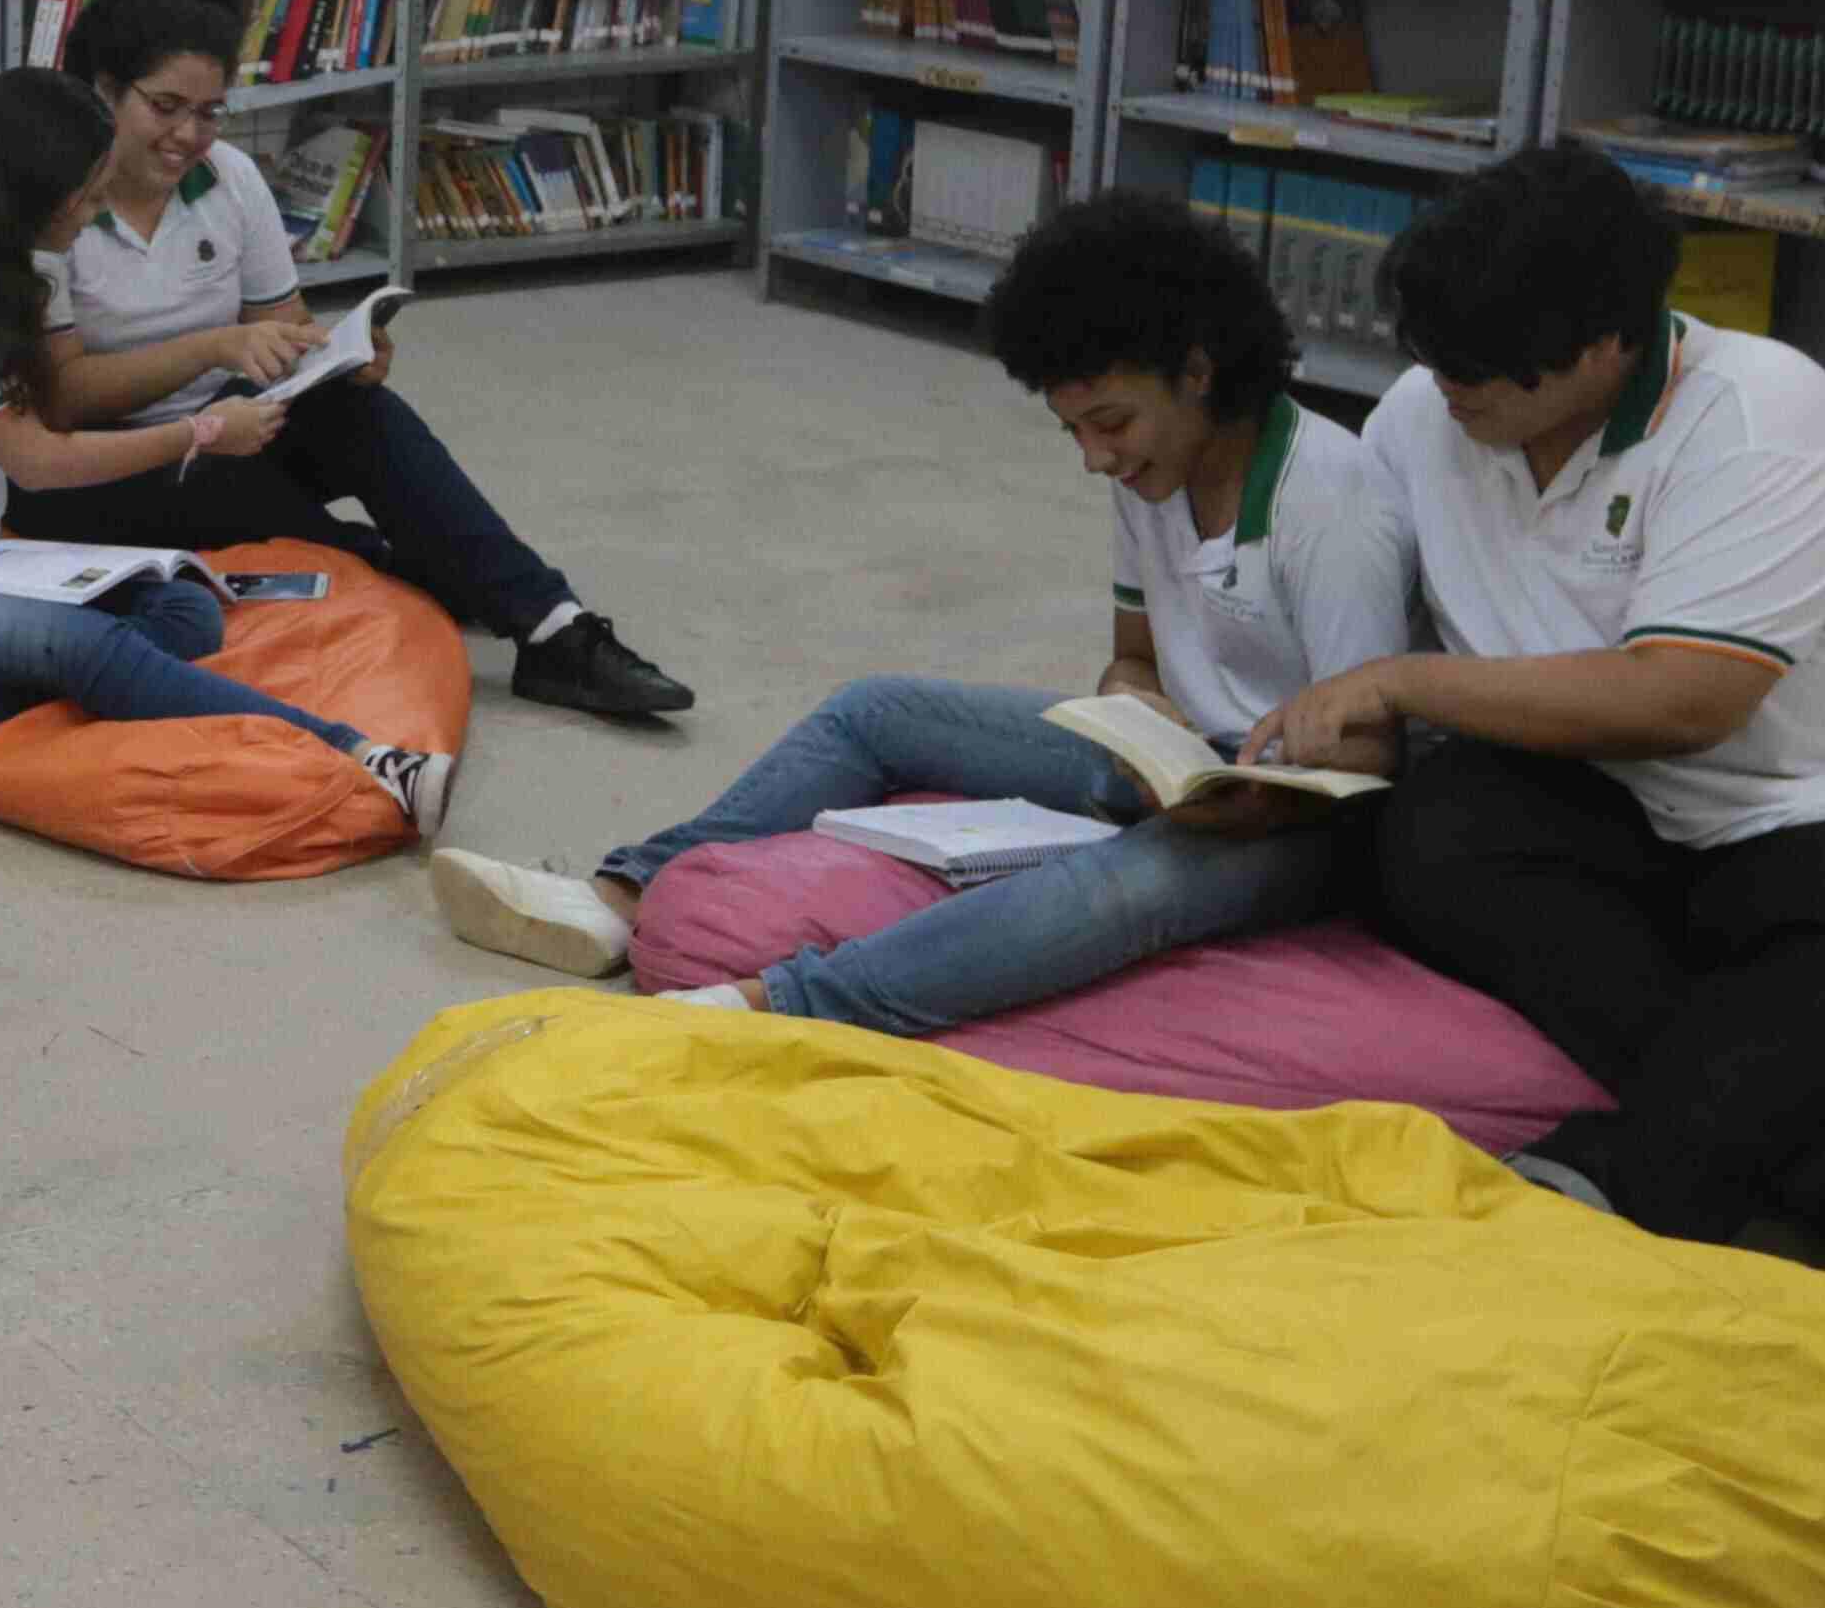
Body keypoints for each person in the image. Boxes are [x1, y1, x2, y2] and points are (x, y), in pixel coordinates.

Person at [1245, 140, 1825, 1288]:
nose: (1447, 384)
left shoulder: (1764, 418)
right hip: (1614, 810)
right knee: (1423, 834)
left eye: (1483, 364)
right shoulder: (1428, 413)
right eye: (1433, 352)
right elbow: (1351, 607)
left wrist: (1403, 683)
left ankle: (1610, 1185)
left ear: (1608, 343)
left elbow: (1682, 699)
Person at [428, 188, 1413, 1027]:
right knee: (874, 711)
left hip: (1293, 827)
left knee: (1119, 886)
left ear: (1198, 372)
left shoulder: (1332, 504)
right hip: (1182, 768)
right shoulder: (1151, 468)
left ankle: (777, 1007)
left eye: (1110, 424)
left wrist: (1239, 802)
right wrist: (1131, 706)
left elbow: (1369, 758)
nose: (1095, 458)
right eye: (1073, 430)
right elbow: (1135, 657)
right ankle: (617, 896)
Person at [11, 0, 693, 726]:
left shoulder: (229, 177)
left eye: (209, 113)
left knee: (361, 414)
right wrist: (213, 348)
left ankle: (555, 630)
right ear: (105, 90)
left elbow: (286, 325)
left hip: (230, 428)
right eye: (165, 107)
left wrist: (337, 355)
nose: (188, 135)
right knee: (265, 500)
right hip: (110, 465)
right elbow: (63, 402)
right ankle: (408, 563)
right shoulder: (55, 198)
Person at [0, 66, 460, 832]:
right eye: (88, 194)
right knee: (88, 646)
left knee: (184, 611)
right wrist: (201, 433)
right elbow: (38, 462)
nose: (99, 208)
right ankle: (360, 757)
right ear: (32, 194)